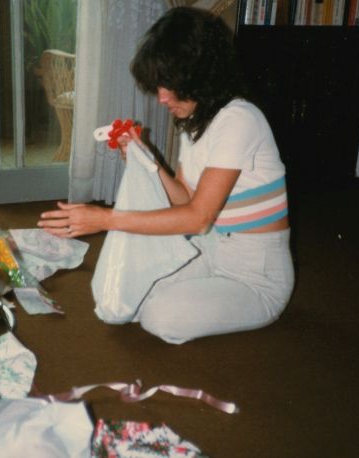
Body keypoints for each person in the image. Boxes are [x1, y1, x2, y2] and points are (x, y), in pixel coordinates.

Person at [38, 7, 294, 344]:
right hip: (209, 252)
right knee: (132, 292)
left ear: (200, 75)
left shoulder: (240, 119)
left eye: (168, 86)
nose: (161, 98)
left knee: (160, 317)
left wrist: (104, 218)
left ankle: (248, 305)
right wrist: (148, 161)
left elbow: (197, 218)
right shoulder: (196, 123)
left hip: (255, 276)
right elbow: (186, 198)